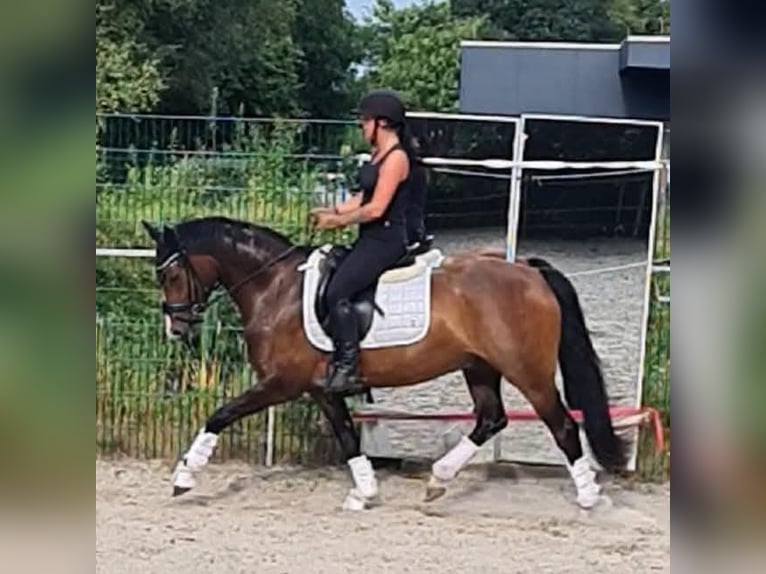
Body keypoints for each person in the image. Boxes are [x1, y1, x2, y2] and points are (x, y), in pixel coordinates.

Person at [310, 88, 416, 393]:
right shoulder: (378, 155)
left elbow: (377, 208)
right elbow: (363, 197)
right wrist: (331, 210)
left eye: (365, 120)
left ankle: (348, 366)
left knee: (337, 291)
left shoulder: (396, 159)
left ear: (381, 123)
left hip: (386, 240)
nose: (362, 126)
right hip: (370, 238)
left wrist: (338, 221)